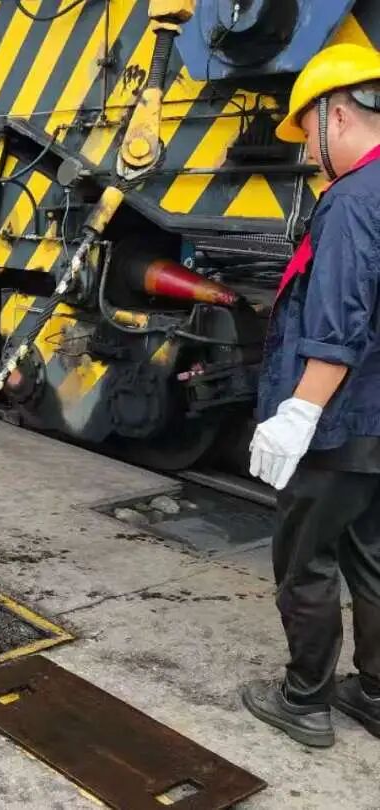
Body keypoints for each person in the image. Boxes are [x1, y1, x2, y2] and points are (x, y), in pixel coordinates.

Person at [243, 43, 380, 746]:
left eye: (306, 134)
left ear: (337, 114)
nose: (306, 153)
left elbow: (338, 322)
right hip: (376, 423)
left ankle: (305, 701)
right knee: (371, 555)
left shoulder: (353, 201)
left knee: (305, 563)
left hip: (338, 423)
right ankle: (376, 693)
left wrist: (299, 412)